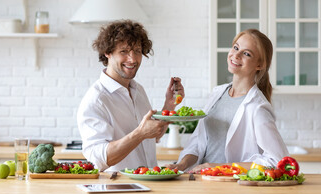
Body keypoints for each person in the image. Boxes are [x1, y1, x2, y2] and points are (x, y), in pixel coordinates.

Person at [167, 29, 288, 173]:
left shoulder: (257, 107)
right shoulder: (217, 93)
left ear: (259, 65)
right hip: (202, 182)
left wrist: (219, 167)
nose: (236, 55)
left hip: (230, 187)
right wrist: (182, 164)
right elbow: (198, 143)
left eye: (246, 53)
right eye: (236, 47)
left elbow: (277, 161)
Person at [77, 20, 184, 172]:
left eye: (137, 51)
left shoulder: (137, 89)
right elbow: (99, 160)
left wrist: (169, 105)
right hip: (117, 190)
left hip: (147, 185)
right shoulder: (96, 100)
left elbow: (153, 135)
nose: (132, 59)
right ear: (107, 53)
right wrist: (139, 134)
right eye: (124, 51)